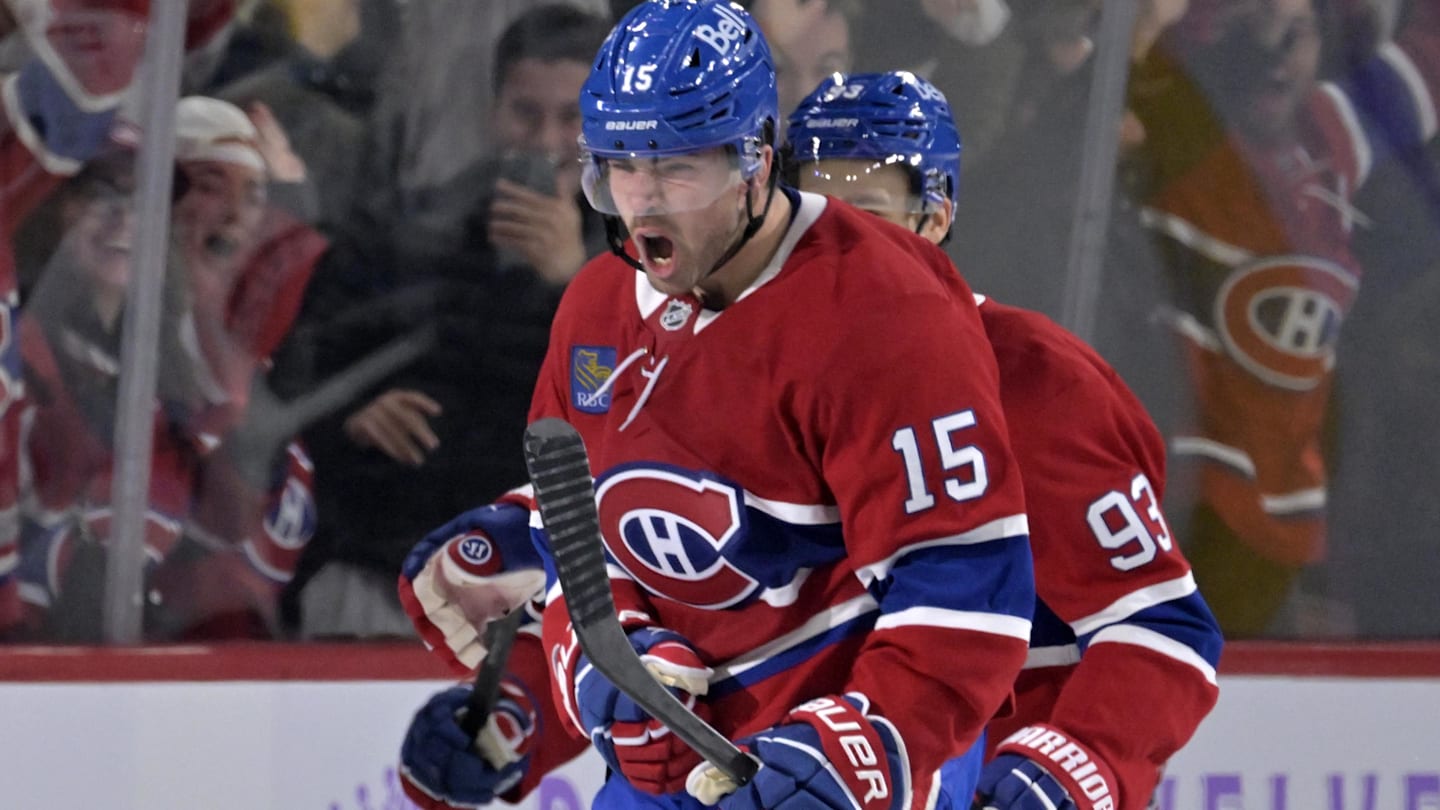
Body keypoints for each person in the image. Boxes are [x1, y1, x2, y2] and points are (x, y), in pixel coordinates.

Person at [395, 69, 1224, 810]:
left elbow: (1162, 628)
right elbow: (718, 605)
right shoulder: (749, 343)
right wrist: (525, 717)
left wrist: (1069, 764)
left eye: (867, 215)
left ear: (936, 217)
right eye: (816, 207)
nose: (837, 241)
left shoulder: (1037, 383)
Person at [280, 3, 613, 639]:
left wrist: (572, 285)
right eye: (525, 112)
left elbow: (649, 413)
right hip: (383, 578)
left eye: (571, 118)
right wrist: (349, 413)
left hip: (554, 606)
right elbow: (295, 374)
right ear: (493, 111)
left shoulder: (647, 268)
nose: (546, 141)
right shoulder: (399, 236)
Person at [1127, 0, 1440, 637]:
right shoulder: (1188, 136)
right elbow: (1160, 53)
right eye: (1255, 26)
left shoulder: (1328, 136)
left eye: (1296, 32)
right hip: (1178, 507)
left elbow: (1429, 55)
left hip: (1297, 523)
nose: (1275, 50)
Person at [14, 96, 320, 640]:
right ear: (63, 208)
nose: (123, 222)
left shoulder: (181, 371)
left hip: (186, 677)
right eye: (99, 198)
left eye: (144, 203)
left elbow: (229, 515)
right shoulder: (29, 353)